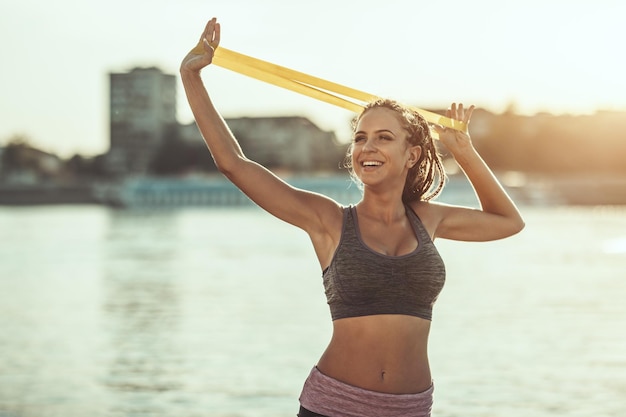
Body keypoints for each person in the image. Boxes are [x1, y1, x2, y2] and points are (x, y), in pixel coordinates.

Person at [180, 17, 525, 417]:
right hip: (333, 406)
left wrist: (464, 151)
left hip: (411, 409)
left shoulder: (429, 221)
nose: (368, 147)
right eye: (360, 137)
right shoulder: (328, 220)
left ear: (411, 154)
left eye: (383, 137)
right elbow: (234, 164)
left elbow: (508, 222)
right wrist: (192, 78)